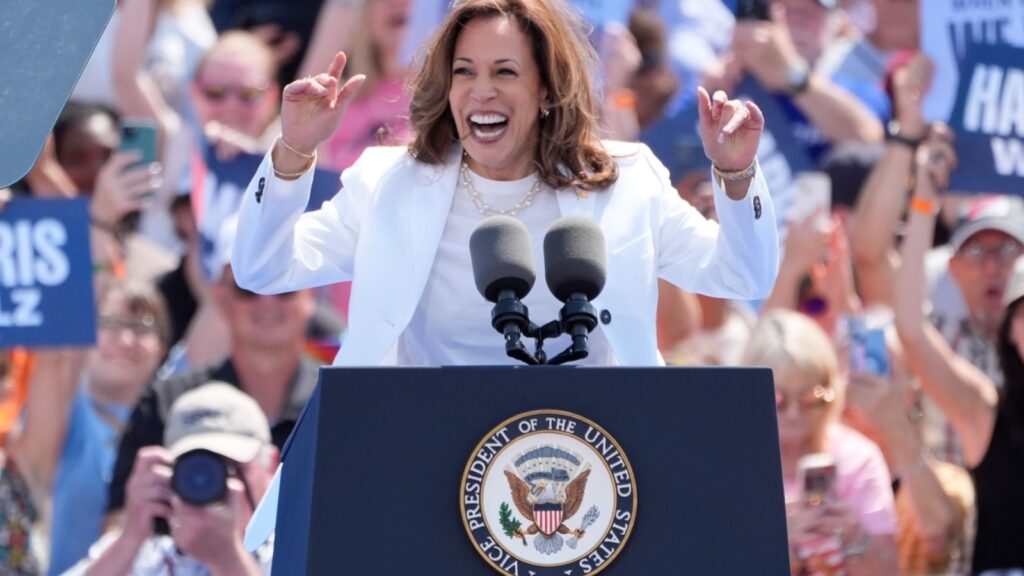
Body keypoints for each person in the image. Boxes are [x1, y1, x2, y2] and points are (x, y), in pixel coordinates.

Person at [231, 0, 779, 367]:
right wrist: (293, 151)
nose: (480, 91)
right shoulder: (387, 185)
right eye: (464, 71)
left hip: (598, 460)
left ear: (546, 90)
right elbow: (264, 267)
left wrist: (735, 174)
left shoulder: (628, 180)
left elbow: (740, 273)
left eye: (505, 72)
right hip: (427, 454)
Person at [894, 120, 1024, 574]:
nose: (993, 267)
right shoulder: (985, 407)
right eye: (977, 252)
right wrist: (924, 199)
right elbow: (909, 325)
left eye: (1007, 251)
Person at [7, 282, 171, 575]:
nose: (125, 338)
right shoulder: (64, 412)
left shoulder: (170, 425)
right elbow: (57, 353)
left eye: (143, 327)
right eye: (109, 323)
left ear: (162, 349)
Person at [742, 309, 899, 574]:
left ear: (831, 393)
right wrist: (776, 544)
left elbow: (889, 571)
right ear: (749, 396)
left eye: (809, 398)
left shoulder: (859, 458)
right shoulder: (732, 466)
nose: (793, 413)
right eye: (778, 400)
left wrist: (856, 538)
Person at [65, 383, 277, 575]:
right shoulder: (141, 551)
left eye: (230, 466)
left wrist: (229, 561)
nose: (209, 481)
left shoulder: (298, 551)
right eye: (193, 468)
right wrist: (131, 536)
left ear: (270, 465)